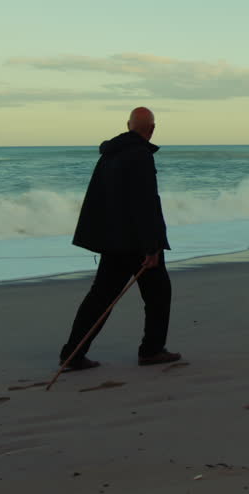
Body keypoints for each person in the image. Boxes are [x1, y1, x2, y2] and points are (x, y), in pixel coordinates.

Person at [58, 107, 181, 369]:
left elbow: (101, 199)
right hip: (136, 243)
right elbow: (145, 203)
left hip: (113, 240)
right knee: (159, 295)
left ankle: (72, 353)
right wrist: (152, 247)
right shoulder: (140, 156)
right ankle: (151, 351)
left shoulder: (110, 154)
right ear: (152, 129)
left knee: (100, 298)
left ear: (128, 125)